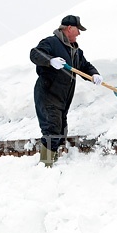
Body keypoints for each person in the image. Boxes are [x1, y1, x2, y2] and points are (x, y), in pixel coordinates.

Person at [30, 15, 104, 167]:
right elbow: (35, 53)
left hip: (63, 98)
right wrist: (50, 61)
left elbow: (85, 66)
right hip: (48, 94)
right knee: (52, 129)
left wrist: (94, 74)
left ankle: (53, 162)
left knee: (61, 131)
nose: (79, 34)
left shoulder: (76, 52)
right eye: (78, 29)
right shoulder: (51, 43)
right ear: (69, 28)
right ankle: (45, 166)